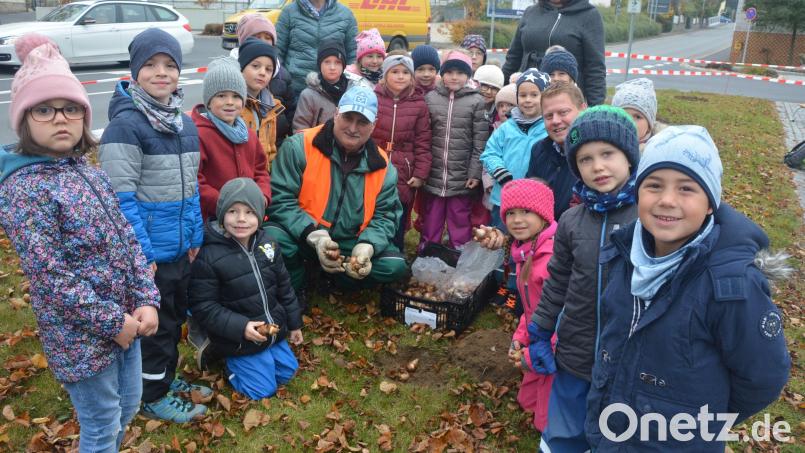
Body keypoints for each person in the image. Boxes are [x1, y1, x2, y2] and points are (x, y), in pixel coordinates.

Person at [585, 126, 791, 451]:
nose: (667, 200)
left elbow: (764, 375)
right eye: (653, 186)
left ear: (710, 203)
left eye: (686, 189)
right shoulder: (624, 255)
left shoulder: (732, 285)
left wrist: (699, 422)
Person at [0, 34, 160, 452]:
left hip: (127, 320)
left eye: (71, 108)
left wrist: (146, 296)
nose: (60, 118)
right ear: (24, 118)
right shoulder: (24, 190)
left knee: (129, 407)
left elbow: (125, 237)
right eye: (45, 109)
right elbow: (50, 276)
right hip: (81, 338)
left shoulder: (86, 169)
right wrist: (114, 322)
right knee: (101, 424)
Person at [98, 28, 209, 423]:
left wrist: (195, 236)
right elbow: (120, 201)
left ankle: (164, 377)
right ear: (134, 71)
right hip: (150, 256)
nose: (161, 73)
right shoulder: (125, 127)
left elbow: (190, 188)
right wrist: (141, 255)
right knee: (156, 327)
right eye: (150, 65)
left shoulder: (184, 125)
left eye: (169, 65)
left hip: (180, 248)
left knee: (175, 318)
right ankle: (149, 394)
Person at [525, 105, 640, 452]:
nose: (598, 166)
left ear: (629, 157)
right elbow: (557, 280)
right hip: (575, 348)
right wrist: (541, 330)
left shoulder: (648, 215)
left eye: (607, 153)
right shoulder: (572, 221)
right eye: (586, 159)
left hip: (627, 353)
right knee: (565, 429)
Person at [266, 86, 408, 292]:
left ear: (374, 125)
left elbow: (386, 216)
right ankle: (296, 285)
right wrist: (315, 236)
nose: (353, 128)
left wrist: (367, 246)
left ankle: (338, 280)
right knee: (273, 238)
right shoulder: (299, 146)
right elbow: (280, 199)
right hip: (304, 234)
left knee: (394, 266)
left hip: (351, 242)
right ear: (336, 113)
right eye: (348, 118)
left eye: (362, 122)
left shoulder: (383, 167)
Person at [189, 178, 304, 400]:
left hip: (271, 330)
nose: (241, 219)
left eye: (250, 212)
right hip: (238, 337)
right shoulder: (209, 255)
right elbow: (204, 306)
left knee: (288, 372)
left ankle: (264, 357)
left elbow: (284, 287)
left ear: (260, 216)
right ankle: (224, 358)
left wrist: (294, 323)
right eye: (233, 211)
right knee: (261, 390)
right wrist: (241, 327)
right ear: (222, 213)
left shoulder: (268, 244)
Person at [474, 179, 558, 432]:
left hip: (557, 343)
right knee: (527, 401)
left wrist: (538, 350)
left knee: (547, 417)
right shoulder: (526, 251)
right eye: (510, 213)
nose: (517, 220)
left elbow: (564, 317)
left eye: (526, 212)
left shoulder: (551, 260)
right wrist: (521, 336)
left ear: (543, 215)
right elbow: (531, 306)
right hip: (537, 333)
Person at [420, 50, 489, 250]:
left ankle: (460, 254)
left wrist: (475, 173)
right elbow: (425, 136)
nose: (454, 77)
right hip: (434, 174)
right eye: (449, 72)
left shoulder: (477, 102)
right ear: (442, 74)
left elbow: (480, 142)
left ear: (468, 76)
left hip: (462, 176)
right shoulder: (431, 98)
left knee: (459, 218)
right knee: (432, 217)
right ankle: (428, 252)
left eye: (460, 72)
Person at [193, 57, 271, 221]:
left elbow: (260, 171)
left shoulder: (249, 135)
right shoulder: (200, 134)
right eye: (221, 96)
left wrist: (262, 197)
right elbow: (196, 181)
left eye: (236, 96)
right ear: (208, 101)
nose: (230, 102)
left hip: (249, 215)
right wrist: (225, 205)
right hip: (214, 217)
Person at [371, 54, 432, 251]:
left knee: (399, 211)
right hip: (375, 162)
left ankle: (395, 252)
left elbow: (423, 141)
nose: (400, 76)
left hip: (403, 168)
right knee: (372, 208)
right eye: (395, 72)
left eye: (405, 72)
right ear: (385, 74)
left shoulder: (419, 104)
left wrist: (420, 173)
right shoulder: (374, 97)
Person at [481, 68, 550, 228]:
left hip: (535, 199)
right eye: (523, 95)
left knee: (530, 242)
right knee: (501, 238)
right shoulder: (507, 127)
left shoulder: (547, 128)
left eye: (534, 95)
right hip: (504, 197)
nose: (528, 100)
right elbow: (490, 153)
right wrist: (499, 171)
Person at [502, 0, 605, 106]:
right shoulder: (530, 12)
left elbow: (595, 68)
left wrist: (595, 109)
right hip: (528, 101)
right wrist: (499, 91)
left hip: (566, 102)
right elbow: (513, 59)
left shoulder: (589, 15)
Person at [230, 13, 295, 146]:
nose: (263, 41)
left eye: (267, 37)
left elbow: (290, 114)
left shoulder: (282, 77)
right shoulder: (228, 75)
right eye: (257, 36)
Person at [526, 81, 586, 220]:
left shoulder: (595, 153)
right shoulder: (539, 150)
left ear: (583, 109)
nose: (555, 121)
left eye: (563, 112)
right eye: (548, 116)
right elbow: (527, 200)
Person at [276, 0, 358, 98]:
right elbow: (277, 50)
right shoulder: (289, 12)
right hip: (296, 89)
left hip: (333, 91)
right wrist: (281, 80)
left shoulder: (345, 14)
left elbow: (352, 54)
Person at [293, 39, 371, 132]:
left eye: (337, 62)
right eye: (327, 62)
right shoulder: (308, 95)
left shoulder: (353, 91)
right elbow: (300, 128)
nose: (332, 67)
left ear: (343, 65)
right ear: (319, 64)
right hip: (315, 143)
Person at [238, 38, 286, 168]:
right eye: (255, 66)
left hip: (264, 178)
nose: (262, 73)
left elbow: (271, 150)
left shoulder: (272, 106)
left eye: (268, 69)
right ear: (241, 67)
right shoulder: (234, 105)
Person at [611, 77, 666, 151]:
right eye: (623, 116)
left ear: (649, 126)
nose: (629, 122)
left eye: (637, 117)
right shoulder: (606, 145)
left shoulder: (660, 150)